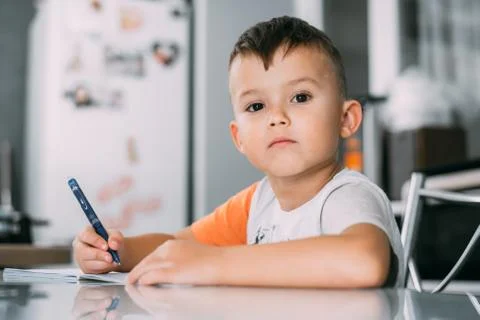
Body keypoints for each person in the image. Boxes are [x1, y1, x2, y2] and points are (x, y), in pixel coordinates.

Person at [73, 16, 404, 288]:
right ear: (239, 137)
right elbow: (178, 244)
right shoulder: (256, 204)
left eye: (300, 97)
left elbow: (364, 262)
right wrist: (117, 250)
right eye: (256, 105)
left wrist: (214, 264)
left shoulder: (348, 196)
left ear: (346, 119)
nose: (277, 117)